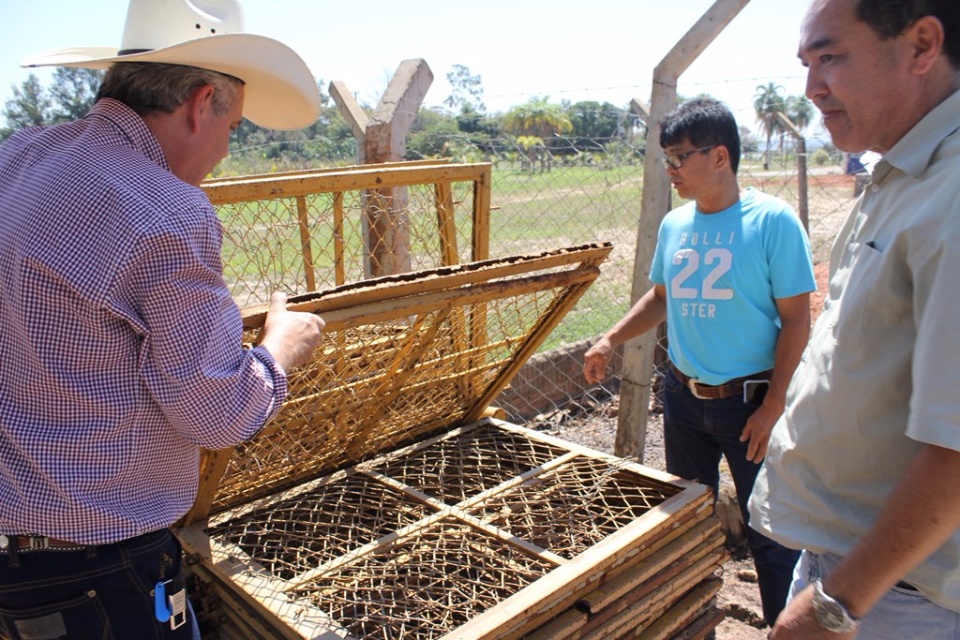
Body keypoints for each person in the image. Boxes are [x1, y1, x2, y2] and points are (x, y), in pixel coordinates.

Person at [0, 0, 326, 637]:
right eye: (232, 128)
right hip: (97, 556)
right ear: (202, 103)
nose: (225, 151)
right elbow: (216, 413)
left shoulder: (19, 158)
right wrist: (279, 349)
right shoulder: (166, 209)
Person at [748, 1, 960, 638]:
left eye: (830, 56)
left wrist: (836, 604)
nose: (811, 87)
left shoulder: (951, 198)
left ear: (921, 45)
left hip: (897, 591)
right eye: (807, 63)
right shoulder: (902, 174)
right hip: (861, 567)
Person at [583, 97, 816, 627]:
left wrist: (774, 405)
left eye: (679, 158)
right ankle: (693, 626)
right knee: (686, 526)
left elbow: (797, 321)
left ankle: (785, 629)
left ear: (719, 157)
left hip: (751, 406)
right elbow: (663, 296)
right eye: (666, 158)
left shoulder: (772, 222)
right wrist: (610, 339)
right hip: (684, 400)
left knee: (770, 536)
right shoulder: (675, 225)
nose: (671, 170)